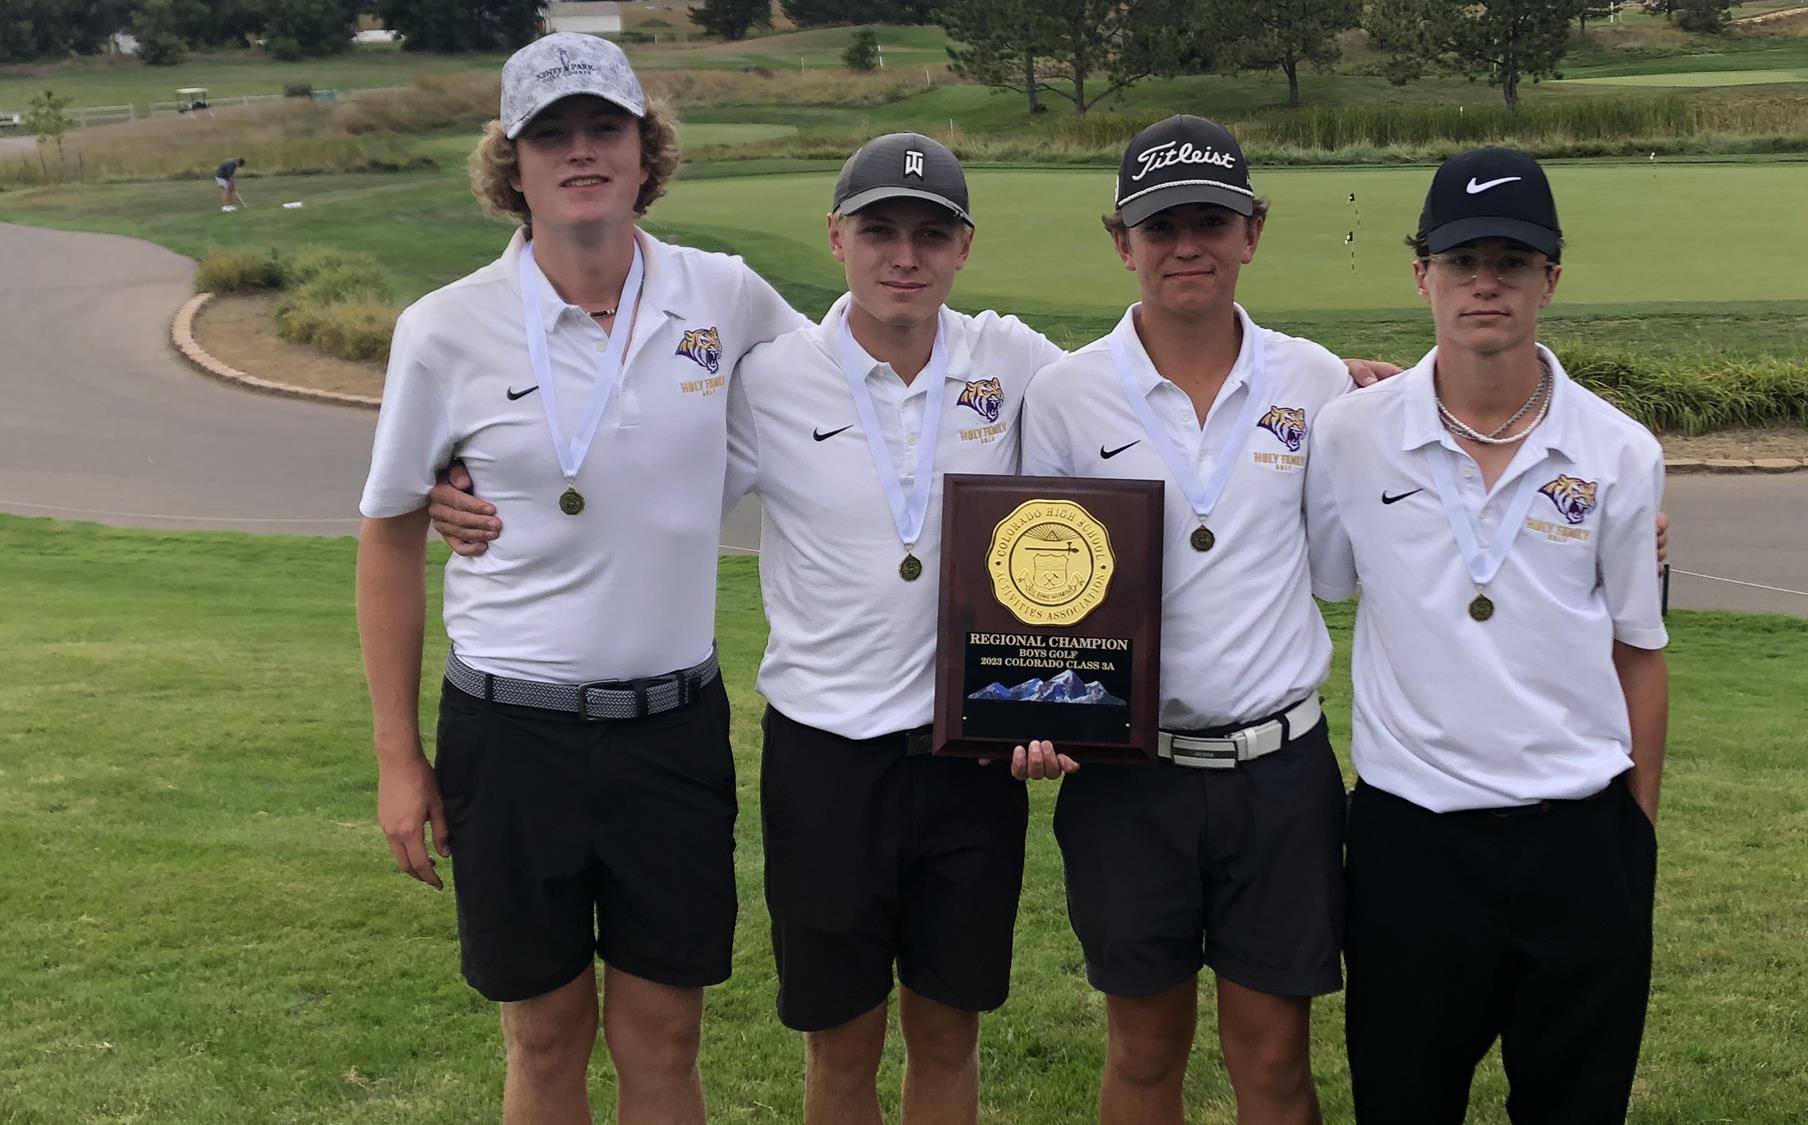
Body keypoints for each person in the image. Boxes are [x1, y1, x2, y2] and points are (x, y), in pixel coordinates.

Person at [355, 33, 807, 1124]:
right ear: (510, 165)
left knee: (663, 1039)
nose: (580, 152)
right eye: (548, 135)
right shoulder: (443, 330)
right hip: (510, 738)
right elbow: (386, 534)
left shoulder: (726, 297)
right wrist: (398, 760)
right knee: (543, 1036)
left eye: (604, 127)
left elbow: (829, 396)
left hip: (670, 730)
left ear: (646, 151)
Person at [1304, 147, 1669, 1125]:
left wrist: (1633, 838)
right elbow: (1315, 575)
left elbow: (1638, 651)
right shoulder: (1349, 435)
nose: (1483, 283)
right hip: (1408, 849)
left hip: (1579, 844)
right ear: (1419, 272)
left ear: (1549, 277)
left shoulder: (1619, 453)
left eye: (1510, 260)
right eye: (1460, 259)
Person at [1017, 114, 1356, 1125]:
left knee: (1274, 1065)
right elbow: (1036, 600)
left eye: (1209, 221)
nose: (1186, 247)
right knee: (1140, 1058)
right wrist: (1035, 710)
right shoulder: (1066, 394)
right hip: (1129, 781)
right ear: (1121, 241)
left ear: (1251, 231)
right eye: (1160, 227)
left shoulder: (1316, 383)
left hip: (1280, 777)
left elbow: (1348, 562)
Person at [723, 133, 1067, 1125]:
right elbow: (650, 474)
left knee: (948, 1034)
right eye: (878, 231)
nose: (903, 256)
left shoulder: (1009, 360)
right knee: (841, 1042)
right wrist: (476, 488)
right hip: (824, 758)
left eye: (929, 233)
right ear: (836, 238)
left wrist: (1319, 388)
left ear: (963, 247)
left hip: (967, 759)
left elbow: (1142, 396)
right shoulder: (771, 377)